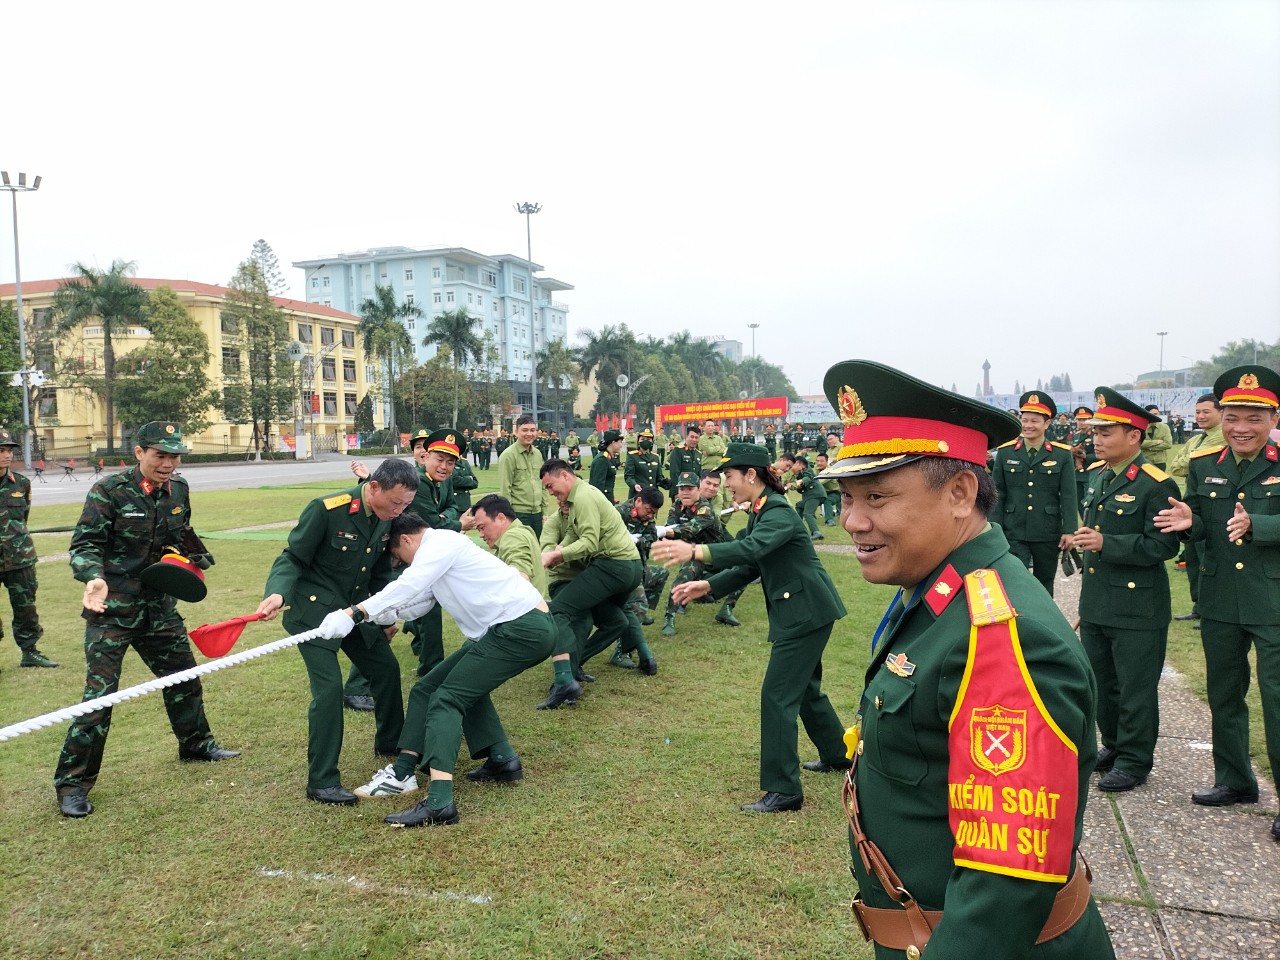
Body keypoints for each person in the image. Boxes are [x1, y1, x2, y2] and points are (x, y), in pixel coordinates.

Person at [816, 360, 1114, 958]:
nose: (852, 521)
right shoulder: (940, 590)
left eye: (876, 496)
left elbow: (1005, 884)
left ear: (960, 493)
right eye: (847, 498)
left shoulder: (1003, 633)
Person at [321, 511, 558, 826]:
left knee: (447, 698)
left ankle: (440, 803)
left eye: (398, 556)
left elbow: (409, 584)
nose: (403, 563)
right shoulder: (438, 553)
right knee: (427, 688)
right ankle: (488, 761)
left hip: (521, 629)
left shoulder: (440, 543)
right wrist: (381, 616)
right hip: (509, 629)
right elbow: (418, 602)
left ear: (405, 539)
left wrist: (356, 612)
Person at [54, 421, 239, 819]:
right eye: (161, 455)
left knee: (184, 678)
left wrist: (196, 554)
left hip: (159, 608)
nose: (169, 463)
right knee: (100, 698)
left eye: (174, 456)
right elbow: (85, 544)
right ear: (138, 453)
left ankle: (196, 744)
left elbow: (181, 529)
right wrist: (93, 578)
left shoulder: (180, 489)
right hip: (112, 611)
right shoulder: (109, 489)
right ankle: (72, 784)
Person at [662, 443, 847, 814]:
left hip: (804, 613)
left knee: (777, 696)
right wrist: (707, 585)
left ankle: (784, 791)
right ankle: (838, 754)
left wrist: (697, 552)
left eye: (729, 477)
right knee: (806, 690)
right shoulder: (761, 512)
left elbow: (752, 549)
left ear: (751, 475)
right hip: (804, 610)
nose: (725, 483)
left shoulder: (777, 512)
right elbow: (753, 564)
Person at [1155, 365, 1280, 842]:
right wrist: (1191, 521)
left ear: (1272, 417)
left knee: (1276, 701)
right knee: (1225, 694)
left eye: (1253, 416)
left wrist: (1261, 527)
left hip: (1272, 600)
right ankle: (1234, 780)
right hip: (1221, 598)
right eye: (1232, 416)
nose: (1241, 427)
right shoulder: (1206, 464)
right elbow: (1206, 526)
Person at [257, 458, 418, 805]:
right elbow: (292, 558)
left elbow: (377, 574)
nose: (399, 510)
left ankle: (391, 744)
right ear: (374, 486)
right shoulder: (328, 510)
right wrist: (277, 592)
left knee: (386, 669)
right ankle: (322, 781)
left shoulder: (386, 518)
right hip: (314, 614)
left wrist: (385, 619)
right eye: (395, 502)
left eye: (406, 504)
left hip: (354, 612)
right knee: (329, 692)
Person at [1072, 388, 1180, 792]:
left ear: (1134, 436)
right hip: (1100, 601)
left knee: (1135, 688)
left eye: (1107, 432)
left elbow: (1164, 545)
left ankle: (1135, 760)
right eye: (1096, 432)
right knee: (1102, 683)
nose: (1097, 439)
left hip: (1138, 606)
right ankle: (1115, 746)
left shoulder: (1156, 483)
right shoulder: (1101, 475)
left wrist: (1106, 544)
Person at [345, 428, 462, 709]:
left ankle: (431, 665)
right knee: (378, 616)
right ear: (425, 456)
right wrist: (454, 521)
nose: (444, 466)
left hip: (412, 556)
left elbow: (452, 508)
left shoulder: (439, 483)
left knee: (423, 609)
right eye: (439, 459)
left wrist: (450, 517)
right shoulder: (417, 484)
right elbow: (433, 522)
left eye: (451, 462)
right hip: (391, 558)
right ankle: (355, 687)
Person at [536, 458, 643, 708]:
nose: (551, 493)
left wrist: (556, 555)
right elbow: (575, 533)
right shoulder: (578, 497)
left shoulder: (582, 497)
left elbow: (589, 542)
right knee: (616, 620)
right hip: (629, 566)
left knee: (559, 609)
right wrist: (560, 547)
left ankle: (564, 680)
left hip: (613, 566)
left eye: (551, 486)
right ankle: (574, 667)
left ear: (564, 476)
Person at [990, 391, 1079, 596]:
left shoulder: (1062, 454)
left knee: (1045, 582)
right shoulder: (1005, 452)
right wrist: (996, 528)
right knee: (1012, 580)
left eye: (1034, 421)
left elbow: (1068, 495)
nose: (1028, 425)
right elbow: (998, 494)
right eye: (1025, 420)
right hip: (1013, 529)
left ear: (1046, 424)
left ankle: (1044, 623)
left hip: (1046, 530)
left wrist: (1069, 530)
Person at [661, 470, 744, 636]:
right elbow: (669, 525)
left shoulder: (704, 508)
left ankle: (726, 609)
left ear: (697, 490)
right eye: (682, 488)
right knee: (682, 579)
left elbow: (690, 529)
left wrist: (665, 532)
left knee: (743, 570)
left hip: (719, 552)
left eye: (690, 489)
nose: (685, 492)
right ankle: (669, 618)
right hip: (698, 552)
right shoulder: (676, 506)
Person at [0, 427, 56, 669]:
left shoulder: (21, 483)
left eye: (9, 450)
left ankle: (29, 651)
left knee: (26, 609)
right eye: (1, 451)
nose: (7, 455)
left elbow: (23, 517)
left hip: (20, 558)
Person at [1168, 393, 1224, 625]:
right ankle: (1198, 606)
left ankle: (1212, 611)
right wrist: (1190, 460)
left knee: (1209, 561)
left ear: (1220, 413)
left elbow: (1194, 463)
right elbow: (1177, 466)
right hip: (1193, 506)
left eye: (1206, 412)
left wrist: (1190, 461)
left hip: (1214, 506)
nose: (1200, 416)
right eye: (1197, 412)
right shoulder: (1197, 439)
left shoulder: (1222, 437)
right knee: (1192, 558)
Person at [608, 487, 665, 671]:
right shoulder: (618, 513)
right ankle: (620, 652)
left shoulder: (647, 516)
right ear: (638, 501)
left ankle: (641, 611)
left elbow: (652, 536)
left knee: (661, 574)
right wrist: (625, 540)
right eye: (649, 511)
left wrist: (639, 540)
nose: (650, 516)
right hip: (620, 569)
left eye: (654, 513)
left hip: (639, 567)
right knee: (638, 604)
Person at [469, 493, 548, 594]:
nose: (481, 535)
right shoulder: (523, 531)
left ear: (501, 518)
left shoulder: (512, 536)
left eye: (482, 527)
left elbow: (520, 575)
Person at [497, 414, 548, 538]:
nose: (529, 434)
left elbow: (543, 484)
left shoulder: (537, 454)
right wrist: (509, 517)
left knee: (539, 549)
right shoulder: (508, 455)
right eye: (524, 430)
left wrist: (545, 512)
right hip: (519, 513)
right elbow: (505, 489)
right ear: (516, 432)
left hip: (537, 513)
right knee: (521, 550)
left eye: (532, 430)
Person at [790, 454, 826, 540]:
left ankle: (816, 532)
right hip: (810, 496)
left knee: (808, 513)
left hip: (815, 494)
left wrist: (801, 482)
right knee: (799, 506)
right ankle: (798, 529)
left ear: (799, 463)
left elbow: (808, 477)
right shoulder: (798, 472)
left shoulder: (807, 470)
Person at [666, 425, 702, 506]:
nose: (694, 440)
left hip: (693, 491)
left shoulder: (698, 454)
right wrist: (676, 492)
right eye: (692, 437)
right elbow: (674, 472)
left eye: (697, 437)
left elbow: (699, 475)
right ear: (686, 437)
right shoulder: (678, 450)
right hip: (681, 491)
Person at [1068, 405, 1097, 507]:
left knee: (1088, 502)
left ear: (1091, 420)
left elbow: (1101, 456)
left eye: (1084, 419)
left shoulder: (1095, 435)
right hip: (1077, 474)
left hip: (1091, 473)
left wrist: (1085, 457)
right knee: (1078, 502)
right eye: (1079, 419)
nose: (1081, 422)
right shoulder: (1075, 435)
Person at [623, 428, 663, 495]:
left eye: (648, 439)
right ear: (638, 441)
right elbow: (629, 476)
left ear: (652, 442)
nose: (645, 441)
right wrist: (634, 485)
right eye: (642, 439)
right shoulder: (632, 456)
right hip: (638, 494)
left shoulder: (655, 457)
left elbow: (659, 477)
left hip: (653, 495)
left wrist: (665, 482)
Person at [589, 429, 623, 503]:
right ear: (613, 443)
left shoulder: (608, 457)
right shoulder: (602, 459)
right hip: (602, 501)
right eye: (620, 442)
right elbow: (597, 486)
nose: (621, 445)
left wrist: (611, 498)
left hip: (607, 499)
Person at [1141, 404, 1173, 469]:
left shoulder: (1164, 427)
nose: (1154, 416)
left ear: (1159, 414)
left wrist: (1149, 447)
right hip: (1145, 461)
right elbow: (1139, 443)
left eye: (1156, 414)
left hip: (1160, 462)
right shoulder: (1141, 427)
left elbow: (1168, 444)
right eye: (1151, 414)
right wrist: (1156, 442)